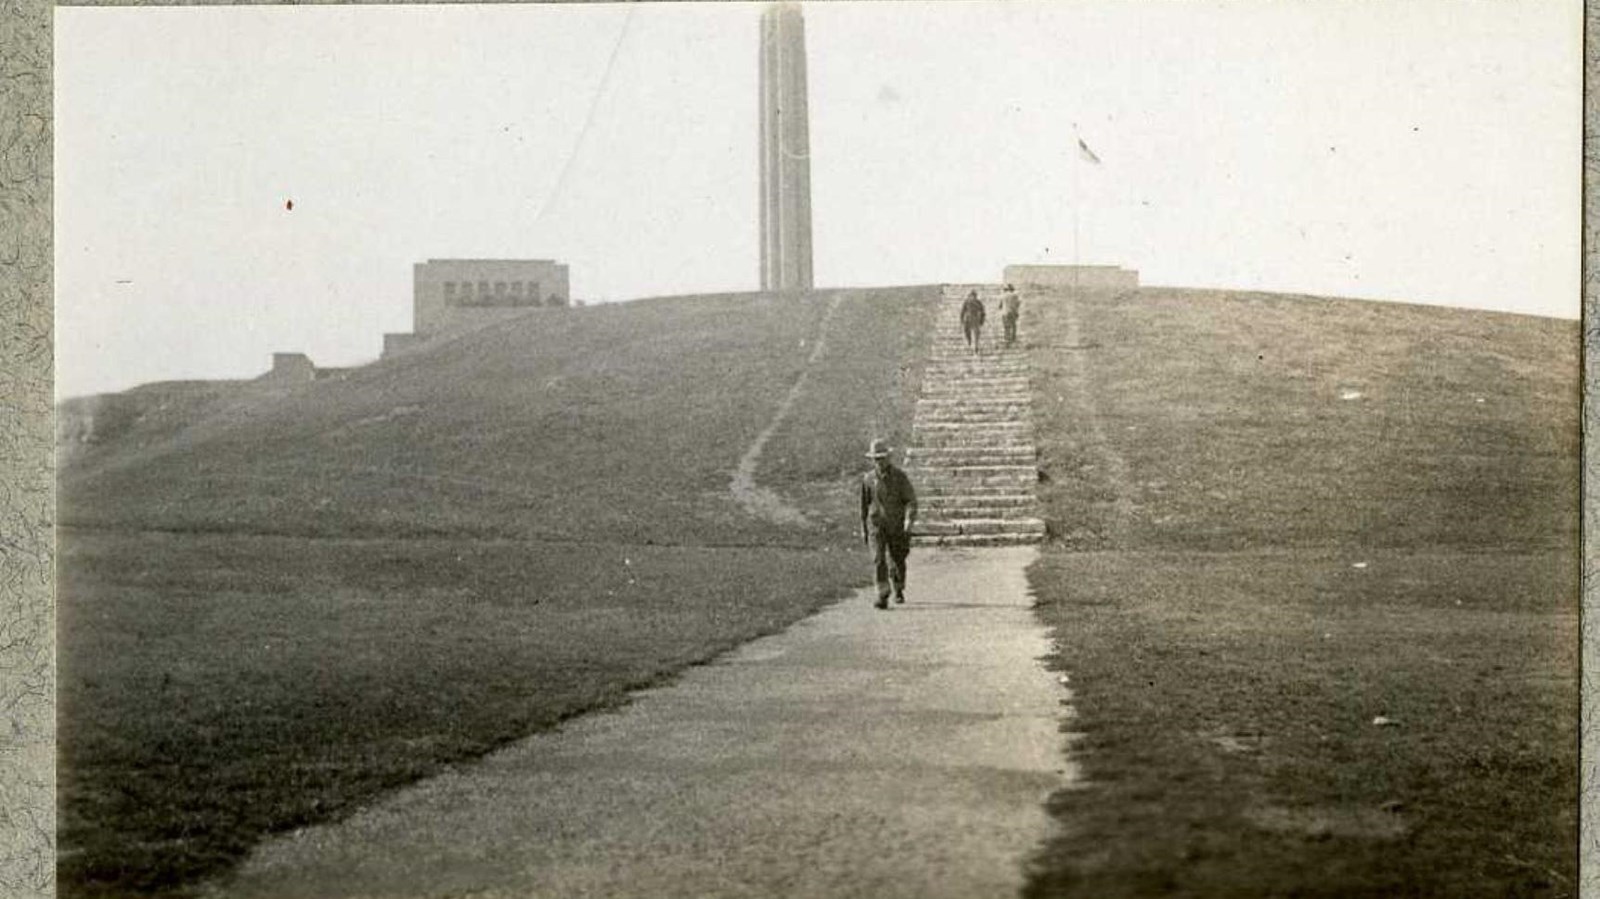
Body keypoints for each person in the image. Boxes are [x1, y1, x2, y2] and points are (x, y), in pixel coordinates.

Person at [859, 438, 918, 609]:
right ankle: (882, 594)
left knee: (897, 558)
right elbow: (863, 506)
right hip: (876, 525)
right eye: (875, 459)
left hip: (896, 525)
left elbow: (911, 500)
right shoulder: (868, 479)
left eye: (882, 458)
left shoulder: (900, 477)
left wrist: (909, 520)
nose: (879, 462)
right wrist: (863, 527)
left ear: (889, 458)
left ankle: (898, 588)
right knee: (878, 559)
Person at [959, 289, 986, 354]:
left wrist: (962, 319)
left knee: (972, 332)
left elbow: (962, 312)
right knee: (973, 332)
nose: (973, 297)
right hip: (973, 319)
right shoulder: (976, 302)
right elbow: (983, 312)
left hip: (970, 319)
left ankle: (972, 344)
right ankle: (972, 344)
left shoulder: (969, 301)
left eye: (973, 296)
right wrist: (982, 321)